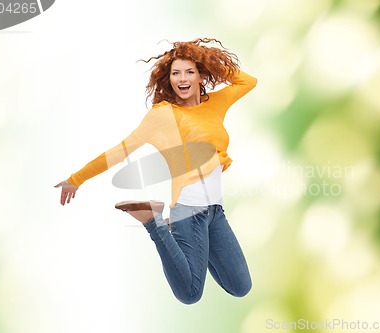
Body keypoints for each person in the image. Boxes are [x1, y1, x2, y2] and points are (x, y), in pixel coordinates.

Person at [54, 38, 257, 304]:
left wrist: (208, 59)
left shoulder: (215, 104)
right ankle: (152, 220)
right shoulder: (163, 116)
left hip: (216, 212)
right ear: (168, 78)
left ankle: (189, 245)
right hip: (189, 210)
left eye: (189, 71)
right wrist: (75, 179)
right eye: (175, 73)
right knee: (190, 294)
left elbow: (248, 82)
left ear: (200, 75)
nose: (181, 79)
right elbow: (120, 151)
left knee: (241, 286)